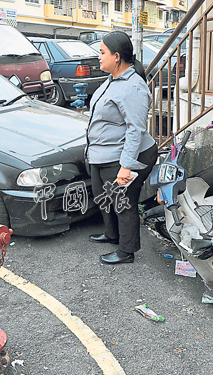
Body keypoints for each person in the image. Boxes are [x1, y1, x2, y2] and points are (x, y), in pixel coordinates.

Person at [86, 31, 158, 265]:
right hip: (104, 154)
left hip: (129, 155)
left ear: (116, 57)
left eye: (102, 52)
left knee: (122, 203)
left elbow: (135, 130)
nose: (99, 57)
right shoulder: (112, 80)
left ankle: (126, 252)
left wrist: (126, 167)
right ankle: (111, 234)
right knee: (102, 196)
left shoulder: (133, 87)